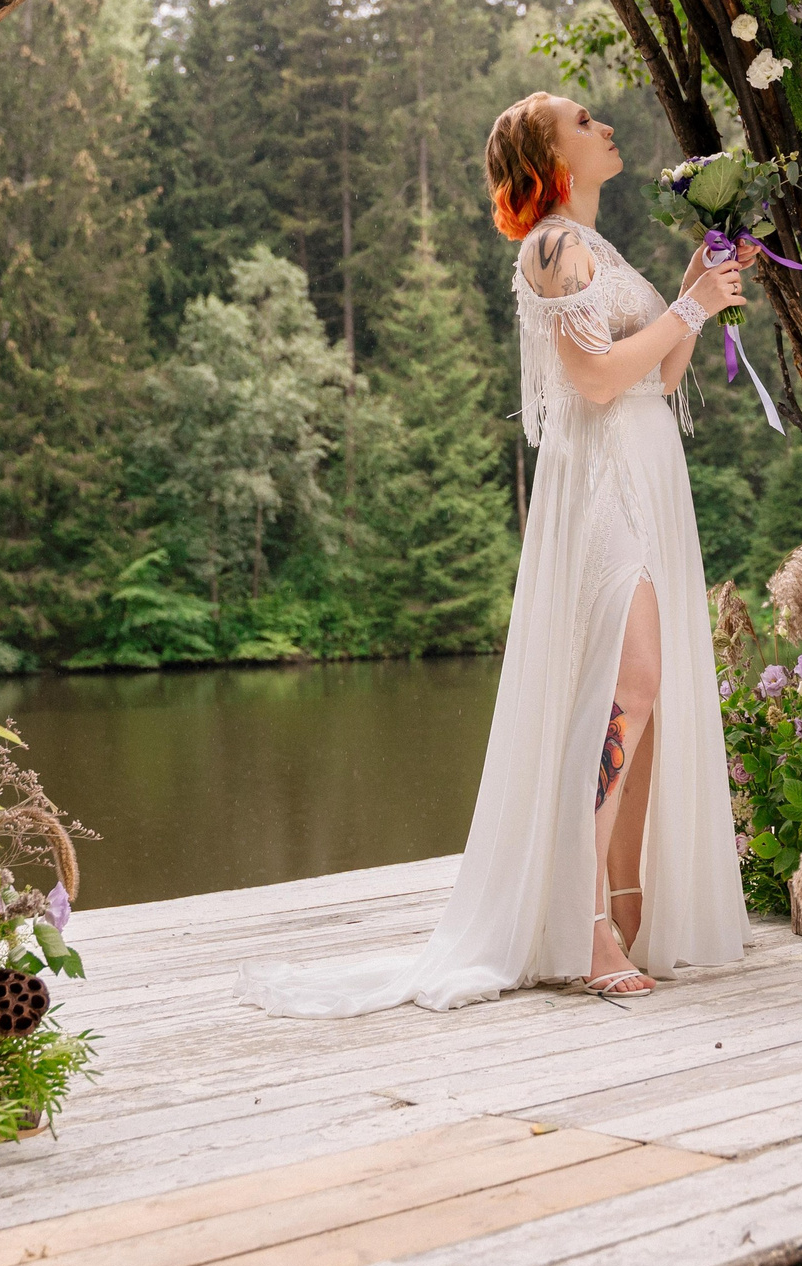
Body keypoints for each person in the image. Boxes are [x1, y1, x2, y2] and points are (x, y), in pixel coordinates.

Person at [237, 91, 752, 1015]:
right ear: (548, 154)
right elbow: (594, 382)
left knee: (648, 695)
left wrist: (693, 289)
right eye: (581, 119)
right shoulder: (550, 245)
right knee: (625, 688)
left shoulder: (605, 250)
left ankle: (625, 910)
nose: (602, 125)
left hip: (650, 473)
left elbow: (661, 372)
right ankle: (585, 922)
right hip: (601, 489)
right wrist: (686, 303)